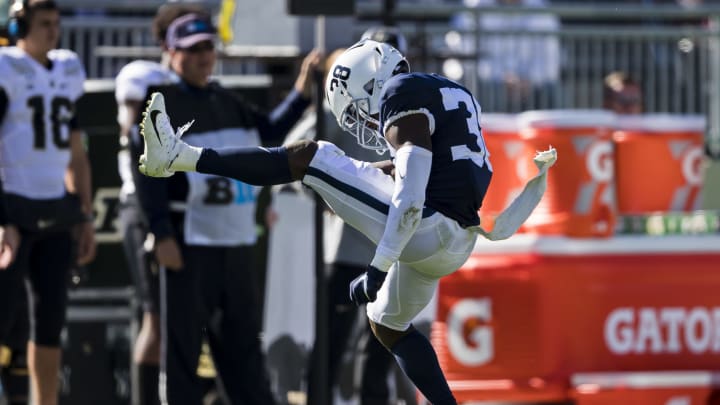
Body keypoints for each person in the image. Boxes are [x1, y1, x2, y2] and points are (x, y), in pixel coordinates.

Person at [137, 39, 556, 404]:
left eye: (358, 109)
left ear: (371, 82)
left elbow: (409, 199)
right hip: (458, 243)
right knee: (388, 326)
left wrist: (379, 268)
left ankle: (177, 156)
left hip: (424, 230)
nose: (365, 122)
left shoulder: (398, 93)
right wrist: (359, 178)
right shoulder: (451, 93)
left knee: (310, 156)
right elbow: (426, 170)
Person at [130, 10, 320, 405]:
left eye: (208, 48)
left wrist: (301, 93)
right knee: (182, 350)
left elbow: (267, 134)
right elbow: (147, 175)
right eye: (193, 49)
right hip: (189, 242)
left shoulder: (225, 99)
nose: (203, 56)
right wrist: (162, 232)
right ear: (171, 52)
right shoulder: (163, 104)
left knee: (243, 350)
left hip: (234, 243)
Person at [0, 1, 96, 405]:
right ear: (20, 26)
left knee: (50, 321)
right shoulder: (7, 67)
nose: (53, 32)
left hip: (56, 207)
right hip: (13, 207)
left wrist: (86, 214)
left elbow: (76, 150)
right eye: (44, 24)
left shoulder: (66, 69)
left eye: (57, 24)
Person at [114, 4, 202, 404]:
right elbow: (136, 137)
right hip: (144, 204)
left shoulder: (184, 86)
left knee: (176, 318)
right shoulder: (145, 78)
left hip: (177, 207)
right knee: (156, 318)